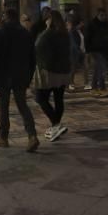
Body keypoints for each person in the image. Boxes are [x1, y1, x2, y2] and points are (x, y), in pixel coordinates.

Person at [0, 8, 39, 152]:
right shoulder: (25, 33)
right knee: (22, 105)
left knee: (3, 106)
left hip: (3, 76)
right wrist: (29, 76)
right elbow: (32, 58)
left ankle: (3, 137)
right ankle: (32, 135)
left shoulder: (0, 32)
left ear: (5, 17)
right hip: (21, 75)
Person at [33, 9, 70, 142]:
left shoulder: (47, 34)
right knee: (59, 99)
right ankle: (56, 128)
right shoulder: (65, 34)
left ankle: (56, 124)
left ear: (50, 20)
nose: (45, 21)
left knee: (40, 98)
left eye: (47, 19)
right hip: (63, 71)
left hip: (49, 72)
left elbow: (37, 49)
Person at [85, 8, 108, 96]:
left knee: (98, 69)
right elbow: (87, 38)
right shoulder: (92, 24)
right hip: (95, 49)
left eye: (104, 15)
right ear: (97, 15)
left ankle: (94, 87)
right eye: (101, 15)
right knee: (101, 68)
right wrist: (88, 51)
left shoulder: (105, 24)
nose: (103, 17)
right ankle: (102, 87)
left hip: (104, 49)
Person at [67, 18, 86, 91]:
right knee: (73, 69)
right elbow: (74, 44)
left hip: (81, 52)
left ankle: (85, 83)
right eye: (82, 23)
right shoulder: (73, 31)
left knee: (82, 67)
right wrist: (79, 51)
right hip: (74, 53)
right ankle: (70, 83)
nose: (83, 24)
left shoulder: (80, 31)